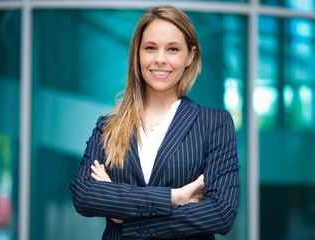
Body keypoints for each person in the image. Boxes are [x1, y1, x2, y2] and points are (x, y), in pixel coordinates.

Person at [70, 5, 239, 240]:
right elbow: (84, 195)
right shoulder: (109, 126)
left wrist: (126, 217)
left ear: (190, 55)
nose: (160, 59)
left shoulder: (214, 124)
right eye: (150, 48)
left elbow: (220, 213)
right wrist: (174, 197)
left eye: (172, 49)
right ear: (138, 54)